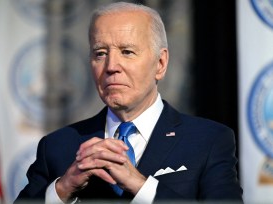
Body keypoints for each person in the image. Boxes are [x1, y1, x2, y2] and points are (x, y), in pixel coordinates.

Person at [15, 2, 243, 203]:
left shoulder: (208, 141)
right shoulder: (57, 146)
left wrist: (142, 187)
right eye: (100, 53)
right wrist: (62, 189)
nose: (111, 66)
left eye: (127, 52)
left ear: (160, 63)